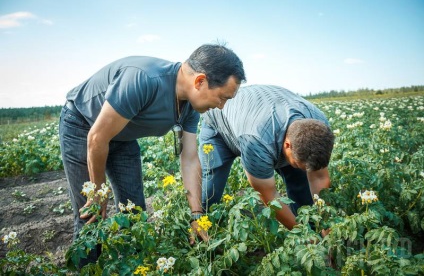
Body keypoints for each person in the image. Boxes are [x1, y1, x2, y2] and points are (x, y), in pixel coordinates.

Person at [58, 44, 246, 265]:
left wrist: (197, 214)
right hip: (83, 126)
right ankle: (87, 268)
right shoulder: (144, 79)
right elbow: (97, 138)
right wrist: (98, 193)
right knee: (91, 215)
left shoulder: (190, 107)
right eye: (222, 97)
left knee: (135, 213)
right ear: (200, 81)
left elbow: (190, 158)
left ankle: (133, 267)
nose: (222, 106)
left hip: (123, 136)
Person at [199, 84, 334, 230]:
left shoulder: (319, 126)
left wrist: (325, 225)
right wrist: (302, 234)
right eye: (296, 163)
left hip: (259, 116)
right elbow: (268, 195)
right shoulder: (257, 140)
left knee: (300, 182)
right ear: (287, 145)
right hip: (219, 125)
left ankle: (312, 226)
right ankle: (201, 232)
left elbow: (319, 177)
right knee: (210, 188)